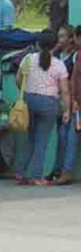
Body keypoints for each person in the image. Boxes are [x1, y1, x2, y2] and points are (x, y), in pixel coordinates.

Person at [16, 30, 71, 186]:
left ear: (38, 43)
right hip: (49, 104)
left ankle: (20, 173)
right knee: (41, 141)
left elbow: (18, 79)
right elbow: (65, 90)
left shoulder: (28, 59)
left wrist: (25, 93)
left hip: (29, 100)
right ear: (55, 45)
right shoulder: (59, 65)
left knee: (31, 139)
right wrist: (66, 110)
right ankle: (37, 176)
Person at [47, 26, 77, 184]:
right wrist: (55, 48)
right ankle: (58, 168)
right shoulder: (57, 55)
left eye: (63, 36)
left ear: (71, 38)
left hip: (68, 100)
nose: (60, 39)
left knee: (65, 135)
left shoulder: (73, 57)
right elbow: (46, 63)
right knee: (60, 135)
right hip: (56, 99)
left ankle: (63, 169)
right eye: (59, 36)